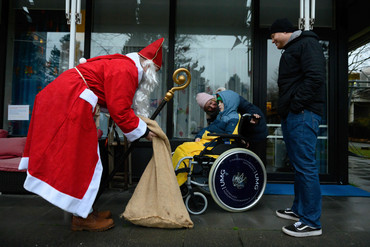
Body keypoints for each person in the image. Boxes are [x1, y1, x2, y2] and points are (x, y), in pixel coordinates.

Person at [18, 38, 164, 231]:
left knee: (82, 157)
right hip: (70, 100)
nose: (151, 78)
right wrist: (144, 131)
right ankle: (82, 217)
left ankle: (85, 210)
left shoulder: (123, 65)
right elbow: (119, 109)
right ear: (148, 66)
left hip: (68, 98)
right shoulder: (127, 70)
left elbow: (112, 101)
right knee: (83, 159)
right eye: (155, 72)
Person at [270, 18, 326, 237]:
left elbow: (315, 77)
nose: (272, 40)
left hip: (303, 114)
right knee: (298, 165)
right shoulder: (295, 47)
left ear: (284, 31)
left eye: (273, 36)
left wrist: (296, 103)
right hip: (295, 114)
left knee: (305, 166)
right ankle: (299, 210)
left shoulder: (307, 43)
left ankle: (311, 222)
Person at [173, 90, 240, 186]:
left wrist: (209, 138)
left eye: (221, 102)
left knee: (184, 151)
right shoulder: (222, 117)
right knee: (182, 148)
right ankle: (173, 179)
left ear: (228, 103)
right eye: (219, 102)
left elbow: (228, 136)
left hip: (213, 146)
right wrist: (200, 136)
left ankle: (177, 182)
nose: (218, 105)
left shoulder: (232, 118)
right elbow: (209, 128)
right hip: (208, 142)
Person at [196, 90, 268, 165]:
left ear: (213, 99)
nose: (212, 106)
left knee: (257, 161)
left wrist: (252, 119)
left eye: (211, 103)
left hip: (256, 129)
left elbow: (248, 111)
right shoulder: (220, 110)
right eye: (208, 108)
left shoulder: (230, 100)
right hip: (242, 131)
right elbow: (214, 126)